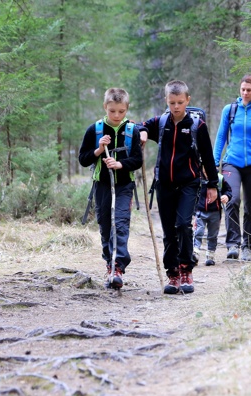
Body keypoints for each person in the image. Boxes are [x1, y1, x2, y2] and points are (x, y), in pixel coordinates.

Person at [139, 80, 218, 294]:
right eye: (172, 102)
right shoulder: (161, 122)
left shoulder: (196, 125)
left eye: (180, 102)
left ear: (188, 100)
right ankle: (172, 274)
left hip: (189, 184)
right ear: (166, 100)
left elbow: (208, 157)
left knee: (183, 225)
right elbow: (140, 126)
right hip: (164, 185)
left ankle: (186, 270)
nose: (176, 106)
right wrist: (143, 132)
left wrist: (212, 185)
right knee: (168, 232)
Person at [78, 88, 143, 289]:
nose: (116, 116)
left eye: (121, 111)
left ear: (127, 109)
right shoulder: (94, 130)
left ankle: (118, 267)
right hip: (103, 185)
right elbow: (83, 159)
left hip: (124, 185)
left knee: (121, 223)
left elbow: (137, 160)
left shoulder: (132, 130)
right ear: (105, 107)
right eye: (112, 111)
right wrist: (98, 149)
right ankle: (109, 263)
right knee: (106, 225)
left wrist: (120, 164)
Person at [213, 74, 251, 262]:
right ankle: (232, 244)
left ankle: (248, 246)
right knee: (231, 200)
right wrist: (214, 162)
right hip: (232, 162)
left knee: (250, 206)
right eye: (243, 89)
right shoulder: (230, 110)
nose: (246, 93)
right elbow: (221, 136)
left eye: (249, 90)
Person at [193, 172, 232, 266]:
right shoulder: (197, 178)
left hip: (215, 212)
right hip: (200, 211)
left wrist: (226, 196)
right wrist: (194, 211)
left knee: (212, 235)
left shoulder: (219, 179)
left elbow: (228, 190)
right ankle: (195, 253)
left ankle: (210, 255)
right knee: (198, 232)